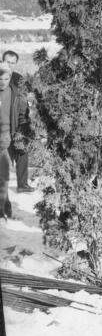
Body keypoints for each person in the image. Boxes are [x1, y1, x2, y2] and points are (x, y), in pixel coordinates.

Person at [0, 62, 29, 219]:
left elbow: (22, 115)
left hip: (9, 139)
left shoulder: (16, 94)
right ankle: (5, 208)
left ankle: (5, 209)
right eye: (1, 78)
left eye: (6, 78)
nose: (3, 81)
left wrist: (20, 134)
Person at [2, 51, 32, 194]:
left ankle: (22, 184)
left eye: (12, 63)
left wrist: (24, 123)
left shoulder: (19, 80)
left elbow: (26, 101)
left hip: (17, 122)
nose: (9, 65)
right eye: (7, 62)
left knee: (22, 150)